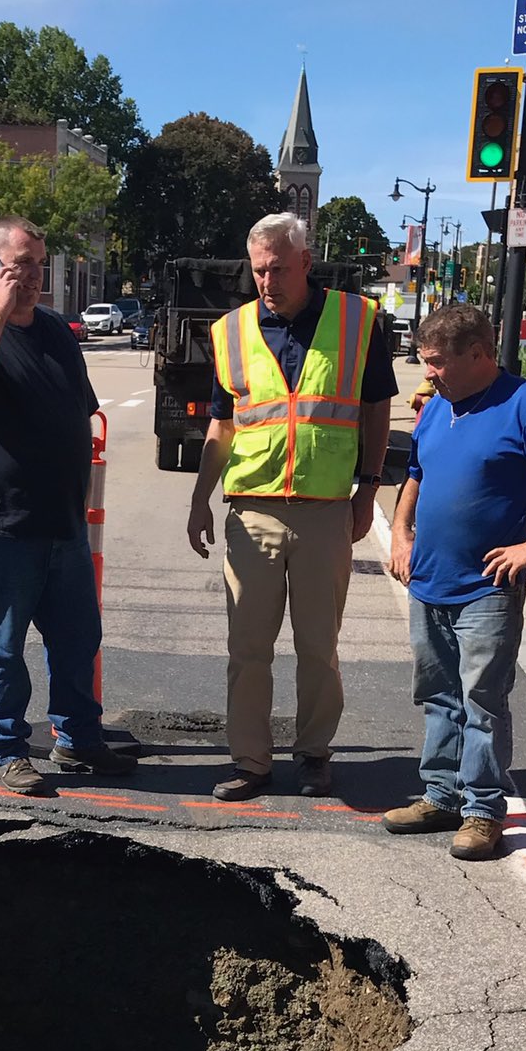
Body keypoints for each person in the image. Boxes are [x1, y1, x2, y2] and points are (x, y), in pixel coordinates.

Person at [187, 213, 397, 801]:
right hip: (251, 511)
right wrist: (200, 498)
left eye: (277, 268)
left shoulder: (357, 321)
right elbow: (221, 427)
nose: (266, 280)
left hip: (325, 509)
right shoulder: (231, 331)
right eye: (258, 270)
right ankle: (251, 761)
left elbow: (376, 408)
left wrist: (368, 488)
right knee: (247, 648)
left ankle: (314, 754)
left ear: (306, 261)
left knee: (317, 646)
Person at [384, 302, 526, 859]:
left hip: (485, 588)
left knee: (482, 700)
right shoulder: (437, 407)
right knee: (438, 695)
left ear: (478, 353)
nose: (426, 371)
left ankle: (481, 811)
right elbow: (417, 474)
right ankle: (440, 795)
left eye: (436, 362)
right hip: (428, 580)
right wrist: (401, 534)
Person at [0, 215, 130, 796]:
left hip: (61, 519)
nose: (34, 277)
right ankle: (9, 749)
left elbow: (80, 407)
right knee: (4, 648)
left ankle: (79, 739)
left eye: (39, 264)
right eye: (21, 266)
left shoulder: (56, 332)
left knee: (76, 639)